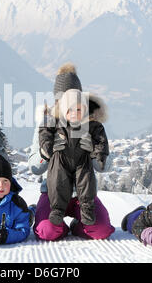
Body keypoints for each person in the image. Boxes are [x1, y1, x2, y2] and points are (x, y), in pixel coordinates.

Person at [29, 63, 115, 241]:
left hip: (83, 195)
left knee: (101, 229)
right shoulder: (47, 125)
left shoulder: (92, 125)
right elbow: (34, 167)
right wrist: (47, 153)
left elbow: (104, 167)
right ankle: (59, 227)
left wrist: (93, 151)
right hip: (53, 192)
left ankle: (78, 225)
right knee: (47, 230)